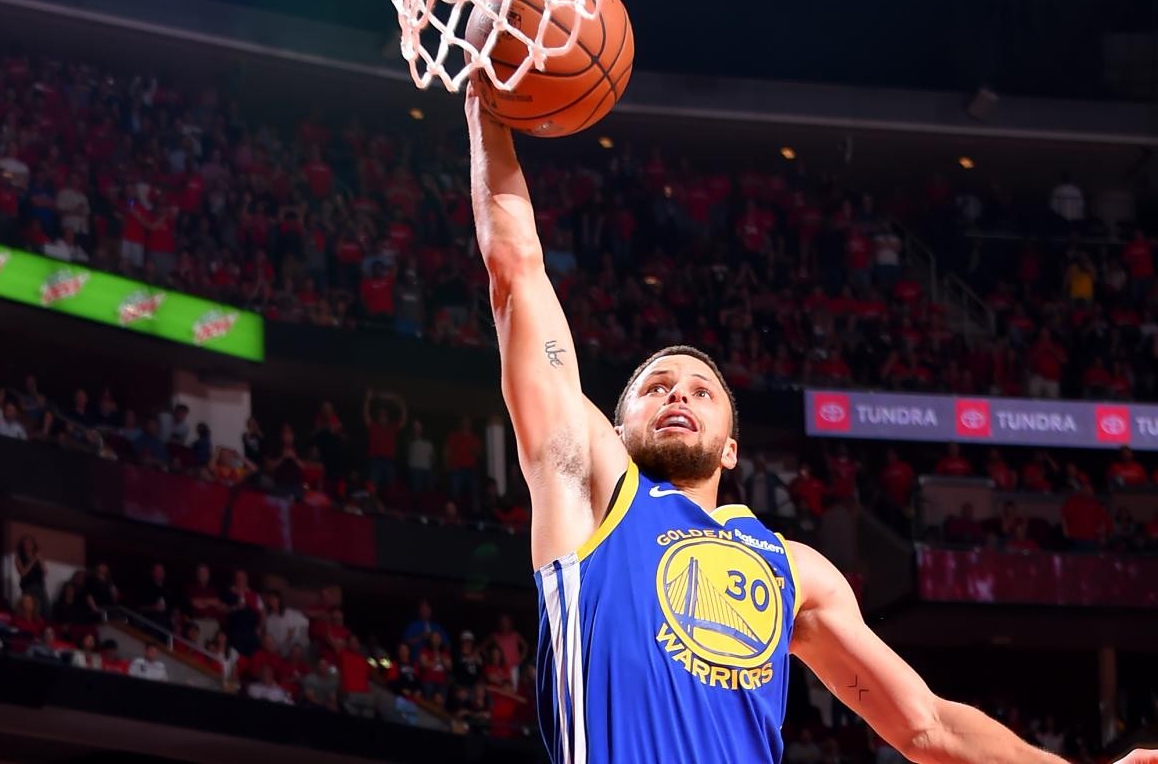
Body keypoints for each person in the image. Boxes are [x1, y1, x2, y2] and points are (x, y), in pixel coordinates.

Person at [465, 85, 1158, 764]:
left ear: (732, 447)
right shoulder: (590, 492)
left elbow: (928, 727)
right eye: (656, 386)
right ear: (615, 430)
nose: (679, 394)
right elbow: (517, 274)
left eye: (703, 391)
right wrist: (485, 116)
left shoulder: (793, 569)